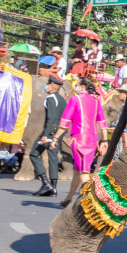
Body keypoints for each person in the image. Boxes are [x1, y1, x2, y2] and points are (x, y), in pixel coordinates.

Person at [50, 77, 108, 208]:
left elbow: (64, 123)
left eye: (76, 85)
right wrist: (104, 139)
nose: (75, 87)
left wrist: (55, 138)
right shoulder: (96, 101)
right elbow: (102, 122)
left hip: (79, 139)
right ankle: (68, 198)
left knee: (83, 171)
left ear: (82, 87)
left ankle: (91, 202)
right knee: (78, 170)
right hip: (93, 138)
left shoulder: (75, 100)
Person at [30, 76, 67, 197]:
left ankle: (46, 182)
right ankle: (53, 188)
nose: (46, 86)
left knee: (34, 154)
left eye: (47, 84)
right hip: (58, 132)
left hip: (49, 131)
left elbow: (50, 117)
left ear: (51, 86)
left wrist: (45, 135)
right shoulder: (62, 100)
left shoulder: (50, 98)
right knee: (53, 158)